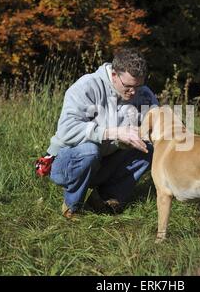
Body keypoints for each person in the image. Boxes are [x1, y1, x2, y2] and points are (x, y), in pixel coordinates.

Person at [45, 48, 159, 218]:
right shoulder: (86, 87)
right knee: (89, 151)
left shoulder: (144, 94)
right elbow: (66, 131)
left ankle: (105, 199)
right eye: (128, 86)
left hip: (106, 161)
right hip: (68, 161)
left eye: (138, 86)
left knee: (148, 149)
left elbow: (158, 124)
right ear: (114, 75)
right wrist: (114, 132)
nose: (133, 92)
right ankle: (72, 206)